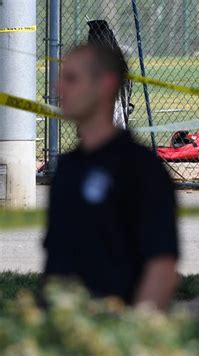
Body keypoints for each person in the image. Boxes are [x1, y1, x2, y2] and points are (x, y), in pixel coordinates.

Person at [43, 43, 179, 310]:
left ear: (105, 84)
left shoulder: (140, 168)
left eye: (71, 79)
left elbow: (161, 266)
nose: (59, 89)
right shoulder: (68, 168)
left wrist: (132, 336)